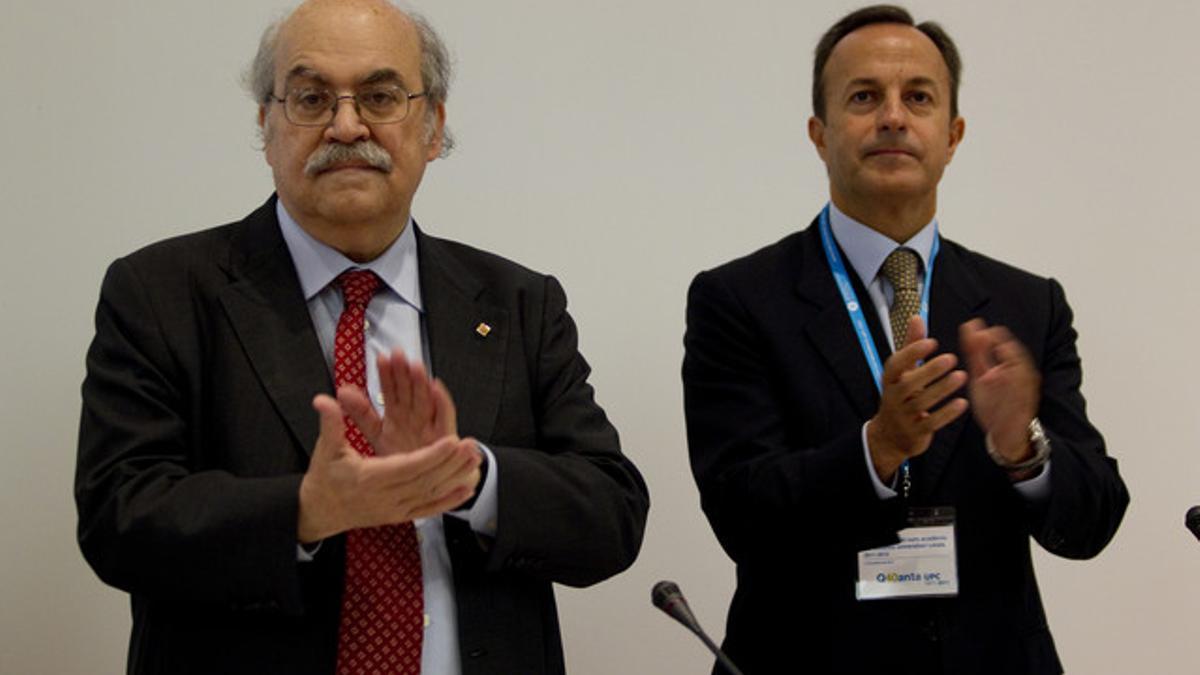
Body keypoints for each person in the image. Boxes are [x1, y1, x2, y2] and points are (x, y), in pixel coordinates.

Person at [75, 2, 649, 673]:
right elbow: (119, 519)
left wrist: (470, 478)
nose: (346, 125)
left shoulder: (519, 302)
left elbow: (612, 513)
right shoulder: (161, 292)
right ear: (267, 125)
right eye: (312, 97)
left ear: (433, 126)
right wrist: (303, 511)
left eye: (379, 95)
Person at [682, 5, 1127, 674]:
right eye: (864, 97)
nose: (893, 115)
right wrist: (877, 447)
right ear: (819, 132)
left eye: (917, 97)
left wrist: (1022, 448)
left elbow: (1091, 521)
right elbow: (741, 514)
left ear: (952, 135)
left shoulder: (1027, 303)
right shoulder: (739, 299)